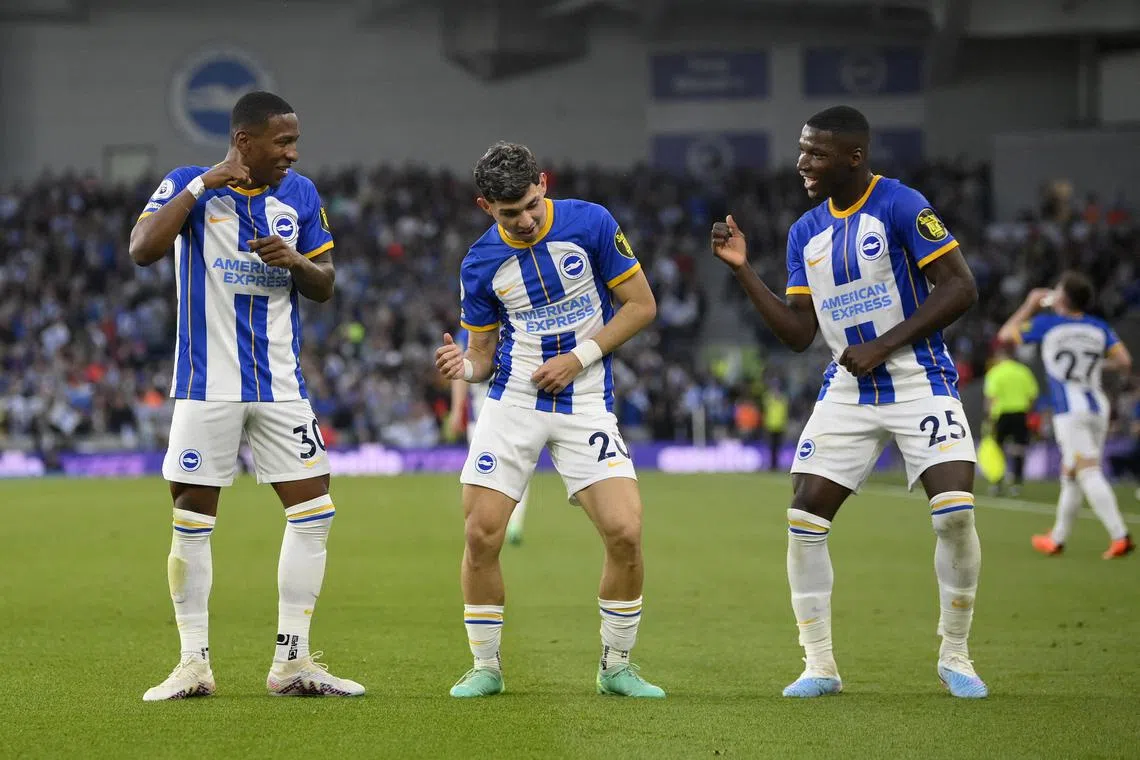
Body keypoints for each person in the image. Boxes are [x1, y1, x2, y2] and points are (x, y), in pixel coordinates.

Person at [712, 106, 987, 699]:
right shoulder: (804, 232)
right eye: (802, 150)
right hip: (848, 390)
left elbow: (961, 286)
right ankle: (820, 666)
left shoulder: (902, 205)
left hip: (918, 380)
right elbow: (797, 332)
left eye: (816, 152)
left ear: (854, 157)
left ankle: (956, 655)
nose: (802, 162)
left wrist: (883, 344)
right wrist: (742, 272)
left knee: (956, 513)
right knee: (805, 520)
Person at [129, 91, 363, 701]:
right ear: (244, 142)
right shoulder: (187, 184)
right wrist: (203, 185)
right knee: (192, 519)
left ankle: (294, 661)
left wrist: (293, 261)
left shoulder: (302, 195)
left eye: (294, 140)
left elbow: (326, 285)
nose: (292, 151)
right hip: (206, 384)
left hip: (281, 384)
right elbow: (142, 249)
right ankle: (192, 664)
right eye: (281, 141)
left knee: (314, 512)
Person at [434, 141, 664, 699]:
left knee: (626, 532)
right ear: (486, 205)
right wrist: (463, 367)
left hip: (584, 401)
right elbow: (483, 355)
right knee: (481, 535)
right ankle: (485, 666)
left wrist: (578, 358)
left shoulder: (591, 224)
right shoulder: (480, 263)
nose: (528, 219)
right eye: (511, 213)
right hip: (511, 404)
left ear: (543, 183)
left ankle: (616, 666)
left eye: (533, 204)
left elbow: (641, 305)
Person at [997, 272, 1135, 558]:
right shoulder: (1099, 327)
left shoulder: (1047, 324)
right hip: (1098, 405)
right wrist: (1095, 367)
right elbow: (1124, 362)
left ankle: (1120, 535)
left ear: (1060, 297)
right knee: (1070, 473)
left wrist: (1030, 304)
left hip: (1070, 410)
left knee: (1087, 471)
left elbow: (1005, 335)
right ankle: (1057, 538)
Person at [447, 328, 531, 545]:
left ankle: (509, 524)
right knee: (495, 472)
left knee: (506, 469)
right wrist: (457, 410)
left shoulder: (515, 322)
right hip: (486, 413)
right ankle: (501, 523)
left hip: (508, 411)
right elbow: (461, 371)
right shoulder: (473, 329)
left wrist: (457, 410)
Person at [982, 342, 1039, 496]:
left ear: (1001, 355)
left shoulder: (996, 372)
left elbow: (990, 398)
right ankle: (1016, 484)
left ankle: (997, 482)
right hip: (1020, 414)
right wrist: (1027, 410)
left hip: (1001, 415)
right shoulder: (1024, 372)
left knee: (997, 450)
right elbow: (1032, 395)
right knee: (1019, 449)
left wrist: (988, 418)